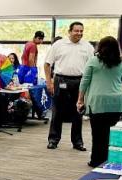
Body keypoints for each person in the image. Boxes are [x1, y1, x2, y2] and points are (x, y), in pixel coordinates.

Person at [77, 36, 122, 167]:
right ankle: (111, 159)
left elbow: (84, 81)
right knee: (112, 134)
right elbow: (121, 79)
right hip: (117, 100)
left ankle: (97, 160)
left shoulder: (93, 61)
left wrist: (80, 99)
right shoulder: (121, 62)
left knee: (98, 134)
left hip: (98, 101)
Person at [45, 22, 93, 151]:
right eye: (76, 31)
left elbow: (92, 67)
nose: (79, 33)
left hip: (80, 81)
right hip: (61, 80)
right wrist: (49, 82)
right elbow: (47, 64)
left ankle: (77, 142)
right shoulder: (59, 45)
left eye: (81, 31)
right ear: (69, 31)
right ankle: (53, 140)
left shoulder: (87, 46)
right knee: (57, 111)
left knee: (78, 111)